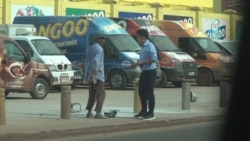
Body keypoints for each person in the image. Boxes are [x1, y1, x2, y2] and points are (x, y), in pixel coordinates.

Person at [131, 29, 158, 120]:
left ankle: (151, 113)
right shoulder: (142, 47)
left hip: (150, 72)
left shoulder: (150, 46)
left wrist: (142, 62)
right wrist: (136, 64)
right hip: (144, 71)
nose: (137, 39)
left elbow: (154, 59)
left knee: (149, 93)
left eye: (137, 37)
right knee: (141, 91)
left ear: (143, 37)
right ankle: (144, 111)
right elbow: (143, 60)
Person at [83, 31, 107, 119]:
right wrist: (94, 74)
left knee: (92, 94)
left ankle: (89, 112)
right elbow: (95, 61)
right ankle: (98, 112)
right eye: (102, 39)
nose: (103, 41)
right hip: (97, 75)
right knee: (101, 93)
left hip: (89, 74)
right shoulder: (99, 49)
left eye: (104, 39)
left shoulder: (90, 48)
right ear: (98, 39)